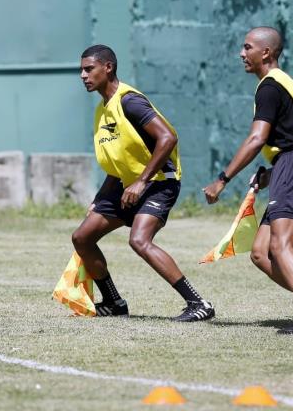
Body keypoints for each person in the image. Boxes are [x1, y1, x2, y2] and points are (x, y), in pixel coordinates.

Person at [202, 26, 293, 336]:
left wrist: (222, 179)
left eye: (248, 47)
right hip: (291, 165)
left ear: (266, 52)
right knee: (261, 251)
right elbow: (287, 136)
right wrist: (273, 171)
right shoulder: (280, 83)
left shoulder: (269, 86)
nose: (242, 53)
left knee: (280, 246)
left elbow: (256, 139)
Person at [72, 44, 215, 322]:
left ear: (108, 67)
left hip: (159, 181)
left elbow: (167, 138)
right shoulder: (103, 110)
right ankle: (113, 302)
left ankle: (198, 303)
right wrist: (99, 198)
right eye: (81, 70)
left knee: (139, 240)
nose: (83, 75)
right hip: (127, 184)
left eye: (89, 69)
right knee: (82, 237)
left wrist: (141, 181)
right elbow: (119, 163)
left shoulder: (130, 101)